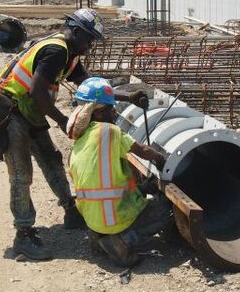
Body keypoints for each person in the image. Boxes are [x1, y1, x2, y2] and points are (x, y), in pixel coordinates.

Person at [0, 9, 149, 260]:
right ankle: (23, 234)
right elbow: (37, 92)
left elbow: (91, 86)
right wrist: (64, 121)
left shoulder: (71, 55)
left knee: (51, 159)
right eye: (89, 39)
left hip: (29, 111)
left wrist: (128, 96)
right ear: (74, 30)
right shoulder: (57, 51)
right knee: (21, 173)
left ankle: (71, 211)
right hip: (10, 111)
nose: (90, 45)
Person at [67, 77, 174, 267]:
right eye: (110, 109)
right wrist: (161, 159)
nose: (114, 113)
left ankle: (99, 237)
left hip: (92, 217)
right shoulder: (108, 132)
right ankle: (121, 242)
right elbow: (143, 151)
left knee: (136, 200)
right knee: (167, 209)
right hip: (111, 217)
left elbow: (105, 184)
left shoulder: (81, 136)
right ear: (98, 113)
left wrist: (142, 189)